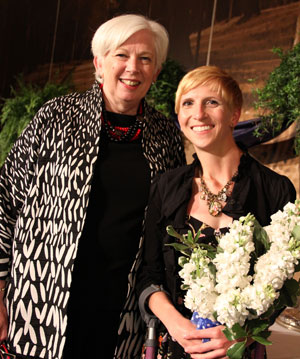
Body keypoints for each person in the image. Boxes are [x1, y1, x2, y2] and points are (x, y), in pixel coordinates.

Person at [0, 14, 186, 359]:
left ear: (156, 71)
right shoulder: (55, 117)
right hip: (41, 306)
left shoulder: (166, 135)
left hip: (122, 315)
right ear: (100, 62)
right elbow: (5, 204)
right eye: (121, 55)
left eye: (145, 58)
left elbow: (169, 229)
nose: (134, 67)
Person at [137, 65, 296, 358]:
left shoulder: (275, 189)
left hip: (238, 351)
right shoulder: (165, 187)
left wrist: (240, 335)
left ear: (234, 115)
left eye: (212, 102)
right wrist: (176, 325)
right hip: (175, 347)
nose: (198, 113)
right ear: (180, 118)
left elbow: (280, 285)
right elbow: (149, 275)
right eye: (188, 103)